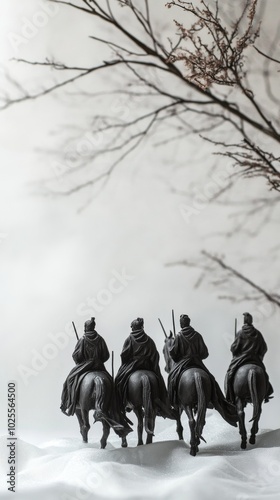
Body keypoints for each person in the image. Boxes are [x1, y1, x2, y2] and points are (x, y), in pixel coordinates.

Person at [168, 314, 237, 426]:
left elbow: (174, 354)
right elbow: (205, 353)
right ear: (189, 323)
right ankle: (219, 401)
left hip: (183, 364)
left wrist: (174, 353)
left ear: (182, 324)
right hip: (197, 363)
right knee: (212, 380)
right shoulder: (197, 335)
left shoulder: (179, 336)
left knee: (171, 378)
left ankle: (172, 403)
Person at [115, 317, 174, 418]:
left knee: (118, 381)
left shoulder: (129, 339)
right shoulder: (149, 339)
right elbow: (155, 355)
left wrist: (126, 363)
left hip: (132, 366)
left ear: (133, 327)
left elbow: (124, 355)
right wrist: (151, 364)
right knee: (159, 380)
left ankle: (121, 405)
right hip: (147, 366)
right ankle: (164, 403)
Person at [225, 312, 274, 403]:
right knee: (264, 375)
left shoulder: (240, 333)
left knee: (229, 374)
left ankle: (229, 397)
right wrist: (259, 357)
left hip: (241, 359)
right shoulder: (258, 334)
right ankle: (266, 392)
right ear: (251, 321)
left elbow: (234, 348)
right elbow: (264, 348)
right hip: (255, 360)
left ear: (244, 321)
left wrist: (235, 350)